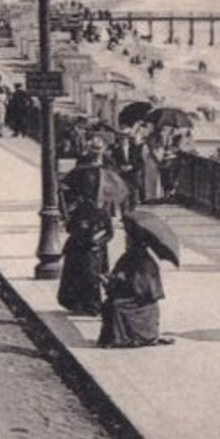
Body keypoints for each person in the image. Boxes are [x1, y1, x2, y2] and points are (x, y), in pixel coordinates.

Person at [56, 134, 129, 315]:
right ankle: (91, 300)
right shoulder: (108, 172)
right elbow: (118, 195)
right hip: (96, 219)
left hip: (85, 219)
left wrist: (69, 212)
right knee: (93, 260)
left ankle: (81, 300)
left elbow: (63, 191)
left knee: (82, 261)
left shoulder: (80, 171)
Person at [98, 218, 174, 348]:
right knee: (109, 303)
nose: (126, 243)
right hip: (131, 296)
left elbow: (143, 288)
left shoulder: (145, 261)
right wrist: (111, 279)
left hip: (141, 301)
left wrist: (122, 280)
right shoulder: (127, 256)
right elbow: (118, 272)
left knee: (116, 305)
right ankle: (115, 337)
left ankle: (125, 338)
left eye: (128, 241)